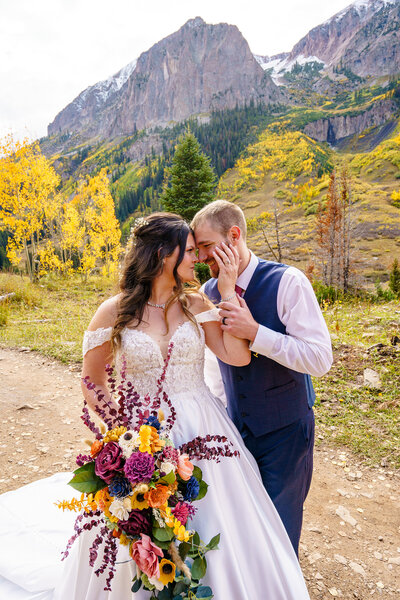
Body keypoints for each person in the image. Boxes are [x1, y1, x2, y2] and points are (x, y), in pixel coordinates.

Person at [0, 212, 310, 599]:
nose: (198, 259)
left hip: (205, 429)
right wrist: (124, 439)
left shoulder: (198, 303)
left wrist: (228, 292)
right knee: (139, 526)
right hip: (140, 433)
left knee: (219, 527)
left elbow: (238, 357)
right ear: (165, 254)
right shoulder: (114, 311)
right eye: (191, 251)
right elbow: (91, 380)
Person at [191, 200, 333, 555]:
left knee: (281, 529)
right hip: (235, 431)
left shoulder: (288, 282)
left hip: (285, 431)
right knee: (243, 524)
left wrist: (256, 333)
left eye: (206, 246)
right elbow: (214, 366)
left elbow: (320, 359)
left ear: (234, 236)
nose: (199, 257)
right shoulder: (208, 295)